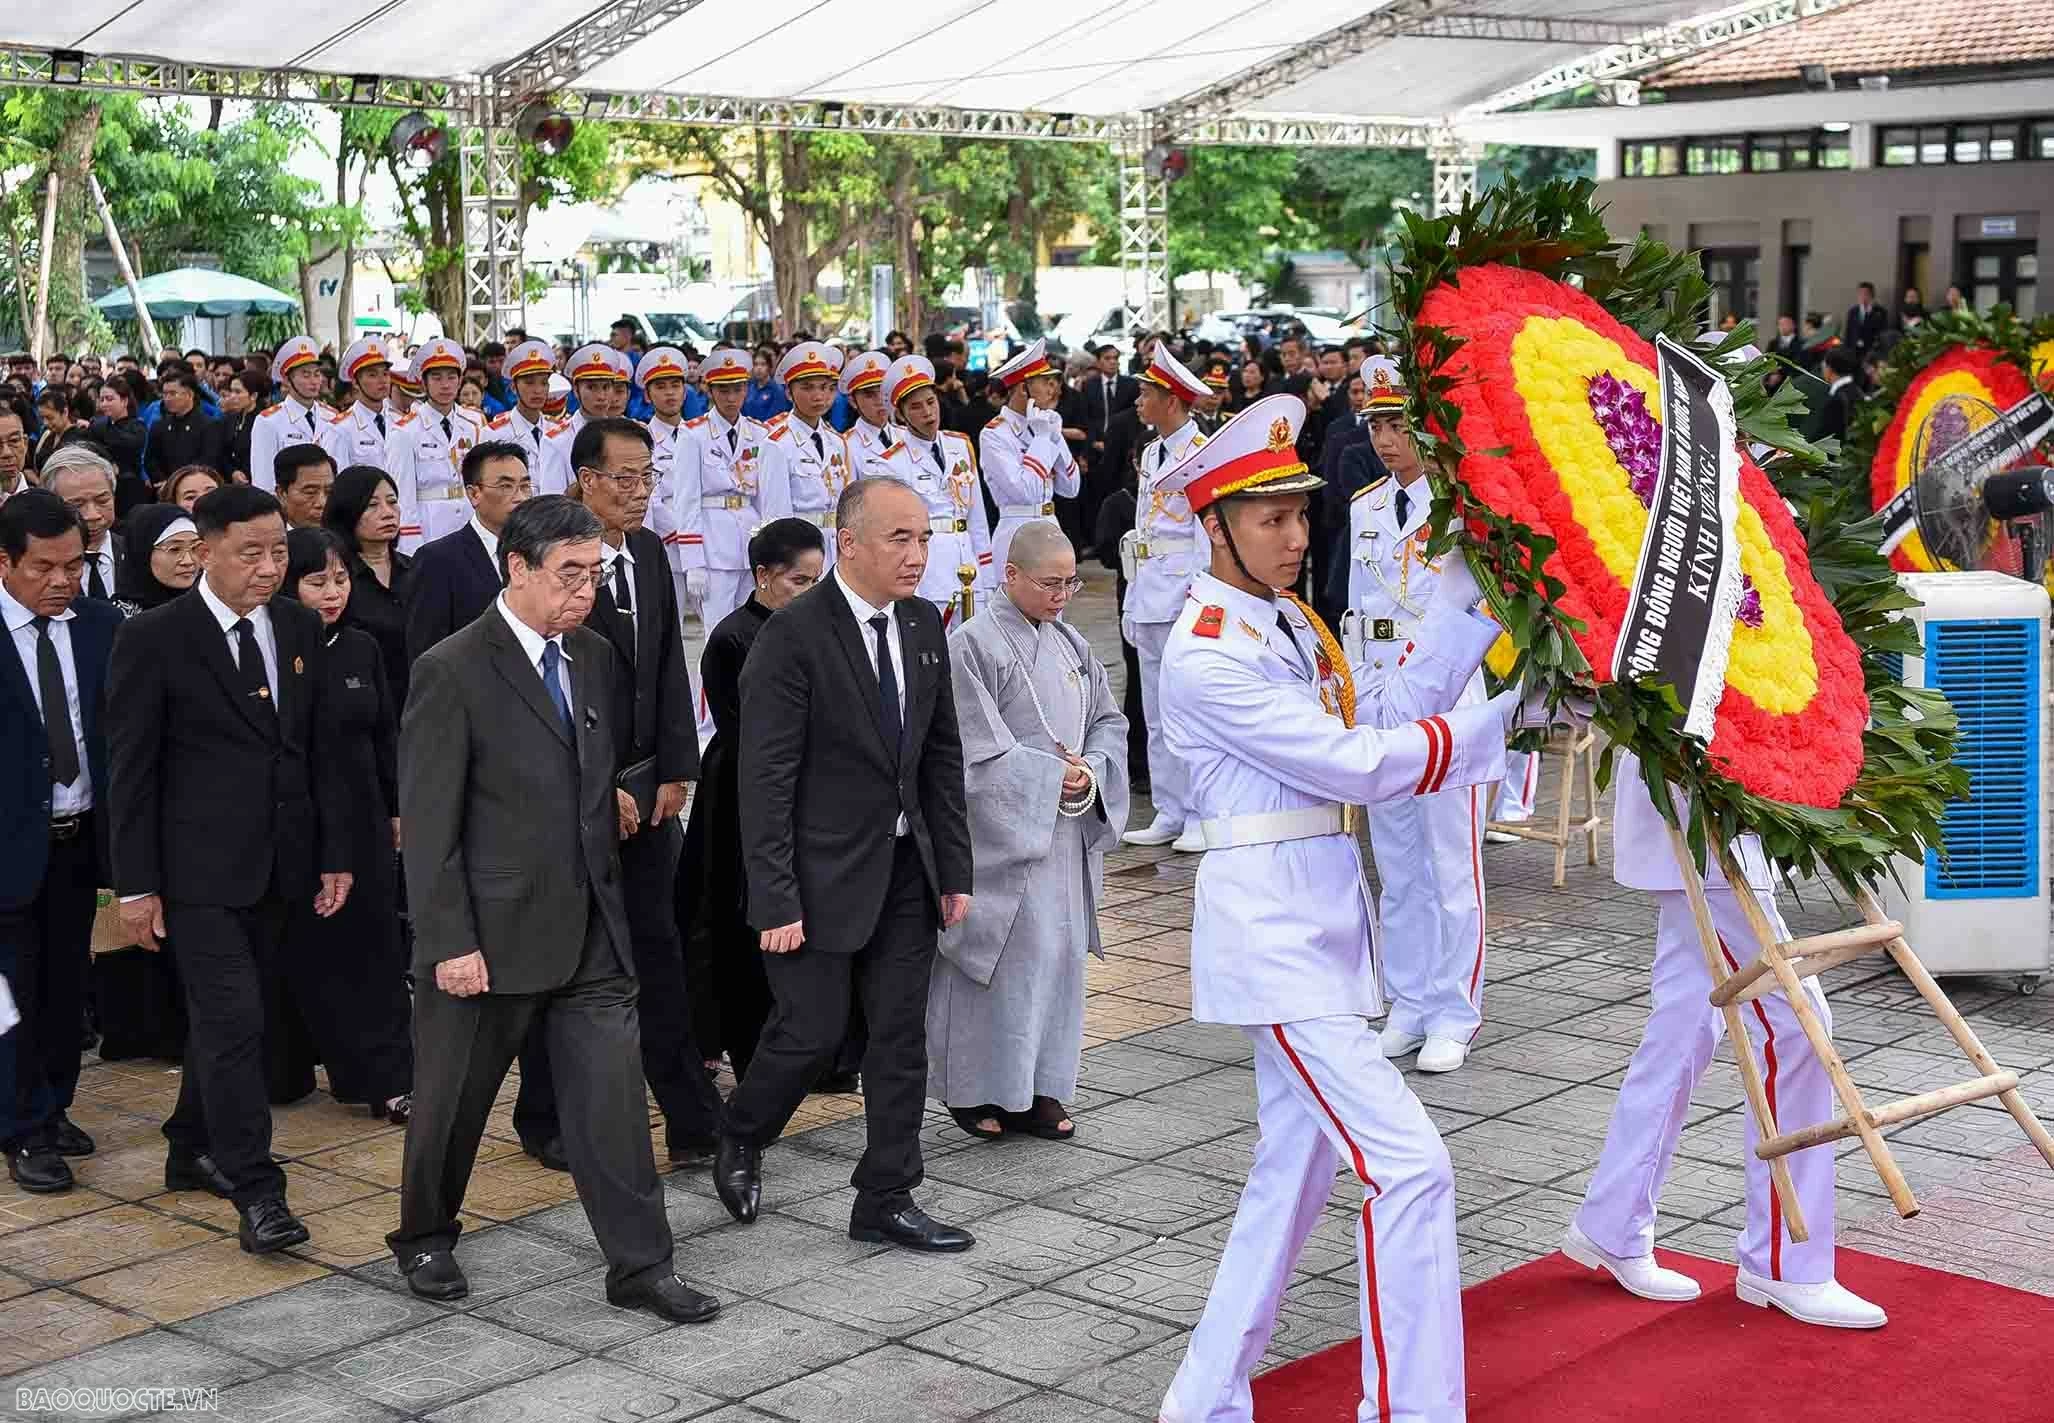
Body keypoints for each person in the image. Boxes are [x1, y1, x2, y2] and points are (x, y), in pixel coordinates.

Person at [1150, 393, 1531, 1423]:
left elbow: (1390, 710)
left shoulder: (1285, 619)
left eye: (1299, 514)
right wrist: (1498, 722)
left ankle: (1203, 1398)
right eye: (1269, 517)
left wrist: (1479, 625)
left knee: (1290, 1174)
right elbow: (1354, 763)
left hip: (1315, 923)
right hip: (1272, 936)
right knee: (1411, 1167)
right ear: (1215, 526)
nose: (1295, 535)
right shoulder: (1208, 648)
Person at [388, 495, 720, 1323]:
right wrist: (449, 942)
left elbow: (593, 761)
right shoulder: (453, 669)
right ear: (518, 568)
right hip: (488, 935)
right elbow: (429, 823)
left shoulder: (594, 655)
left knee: (613, 1107)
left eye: (595, 573)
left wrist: (616, 795)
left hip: (591, 929)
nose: (586, 591)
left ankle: (641, 1264)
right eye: (570, 574)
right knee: (452, 1104)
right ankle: (424, 1233)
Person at [712, 476, 976, 1253]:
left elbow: (940, 752)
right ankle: (743, 1129)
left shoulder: (923, 622)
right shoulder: (792, 636)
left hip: (905, 868)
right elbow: (764, 780)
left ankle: (887, 1195)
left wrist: (954, 868)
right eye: (900, 538)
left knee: (899, 1035)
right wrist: (775, 897)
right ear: (849, 543)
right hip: (814, 875)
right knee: (811, 1032)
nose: (917, 554)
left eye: (924, 538)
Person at [107, 483, 353, 1251]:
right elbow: (132, 771)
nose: (269, 567)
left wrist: (335, 854)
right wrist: (137, 885)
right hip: (196, 873)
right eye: (251, 553)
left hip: (282, 863)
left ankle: (190, 1144)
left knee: (233, 1023)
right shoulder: (155, 637)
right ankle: (257, 1190)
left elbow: (318, 751)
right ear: (205, 550)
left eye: (279, 550)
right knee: (234, 1020)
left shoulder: (298, 625)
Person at [1566, 754, 1887, 1329]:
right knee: (1798, 1028)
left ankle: (1613, 1220)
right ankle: (1785, 1263)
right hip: (1698, 819)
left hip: (1720, 815)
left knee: (1684, 1028)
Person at [556, 417, 724, 1167]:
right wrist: (597, 786)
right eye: (623, 478)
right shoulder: (556, 557)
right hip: (578, 797)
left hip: (650, 791)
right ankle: (547, 1113)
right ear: (587, 479)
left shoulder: (650, 553)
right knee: (572, 955)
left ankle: (691, 1116)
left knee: (661, 946)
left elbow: (665, 667)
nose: (638, 490)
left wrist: (677, 767)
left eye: (647, 476)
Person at [929, 520, 1127, 1142]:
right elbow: (973, 749)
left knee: (1057, 961)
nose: (1062, 596)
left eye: (1070, 583)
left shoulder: (1071, 643)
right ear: (1010, 574)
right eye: (1050, 584)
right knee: (1002, 961)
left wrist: (1091, 769)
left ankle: (1042, 1088)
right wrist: (1047, 777)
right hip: (1004, 836)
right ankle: (975, 1091)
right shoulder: (972, 645)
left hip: (1064, 833)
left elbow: (1109, 721)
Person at [1344, 358, 1489, 1075]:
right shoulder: (1365, 506)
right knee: (1398, 863)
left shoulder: (1463, 506)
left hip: (1447, 698)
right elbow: (1355, 605)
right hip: (1382, 698)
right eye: (1377, 425)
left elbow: (1483, 604)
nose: (1386, 439)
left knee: (1451, 866)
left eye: (1399, 425)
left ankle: (1455, 1011)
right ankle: (1408, 1000)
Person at [680, 517, 825, 1081]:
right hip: (742, 791)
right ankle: (741, 1044)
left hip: (807, 788)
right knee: (738, 918)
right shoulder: (733, 637)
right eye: (798, 581)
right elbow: (747, 730)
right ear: (763, 576)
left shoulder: (815, 629)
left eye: (816, 581)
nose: (808, 592)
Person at [1, 490, 118, 1194]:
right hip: (7, 847)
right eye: (43, 567)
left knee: (65, 984)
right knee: (11, 992)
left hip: (78, 842)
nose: (61, 581)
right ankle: (22, 1126)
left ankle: (53, 1103)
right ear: (5, 562)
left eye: (73, 565)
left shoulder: (101, 626)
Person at [282, 528, 412, 1125]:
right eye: (317, 582)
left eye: (340, 580)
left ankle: (388, 1079)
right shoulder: (278, 651)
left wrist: (395, 807)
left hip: (364, 820)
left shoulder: (362, 647)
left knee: (377, 950)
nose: (333, 593)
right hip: (300, 824)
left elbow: (386, 734)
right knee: (312, 955)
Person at [1119, 344, 1212, 851]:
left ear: (1171, 400)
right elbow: (1143, 530)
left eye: (1146, 393)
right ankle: (1169, 808)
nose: (1138, 401)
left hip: (1182, 593)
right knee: (1154, 711)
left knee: (1188, 709)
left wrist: (1200, 598)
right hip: (1149, 591)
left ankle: (1199, 811)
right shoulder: (1153, 451)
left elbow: (1204, 534)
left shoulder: (1200, 452)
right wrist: (1132, 599)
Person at [860, 356, 994, 622]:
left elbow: (977, 518)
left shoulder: (960, 445)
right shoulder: (890, 463)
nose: (928, 413)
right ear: (901, 414)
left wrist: (987, 577)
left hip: (969, 569)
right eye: (916, 407)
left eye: (931, 402)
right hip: (929, 573)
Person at [675, 347, 791, 633]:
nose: (731, 397)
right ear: (710, 390)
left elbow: (766, 498)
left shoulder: (759, 433)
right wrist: (693, 562)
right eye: (723, 390)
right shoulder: (693, 434)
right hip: (713, 545)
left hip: (750, 540)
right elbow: (686, 499)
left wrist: (772, 550)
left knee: (755, 628)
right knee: (718, 631)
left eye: (738, 389)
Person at [403, 441, 531, 662]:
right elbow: (427, 651)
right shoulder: (437, 560)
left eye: (525, 486)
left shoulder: (542, 551)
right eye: (505, 486)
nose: (520, 497)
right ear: (474, 494)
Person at [979, 340, 1080, 573]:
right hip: (1017, 532)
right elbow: (1026, 492)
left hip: (1051, 527)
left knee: (1055, 596)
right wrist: (1042, 438)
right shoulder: (995, 434)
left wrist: (1055, 437)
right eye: (1045, 383)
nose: (1052, 390)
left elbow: (1071, 487)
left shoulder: (1042, 424)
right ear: (1024, 389)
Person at [323, 466, 413, 712]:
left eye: (392, 502)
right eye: (372, 505)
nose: (387, 513)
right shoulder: (336, 579)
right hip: (362, 702)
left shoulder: (416, 569)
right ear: (347, 512)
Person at [394, 337, 483, 552]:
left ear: (460, 381)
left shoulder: (473, 424)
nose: (445, 385)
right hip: (429, 528)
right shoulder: (405, 431)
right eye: (436, 378)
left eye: (452, 377)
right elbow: (403, 495)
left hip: (469, 522)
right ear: (423, 383)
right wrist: (410, 546)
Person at [768, 343, 851, 568]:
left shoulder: (837, 442)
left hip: (836, 550)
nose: (818, 396)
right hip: (800, 550)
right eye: (807, 388)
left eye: (824, 387)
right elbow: (776, 515)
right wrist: (786, 561)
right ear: (789, 393)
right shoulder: (777, 444)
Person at [634, 345, 704, 615]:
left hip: (702, 543)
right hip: (665, 543)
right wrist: (679, 532)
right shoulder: (642, 439)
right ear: (648, 395)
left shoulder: (700, 435)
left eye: (675, 385)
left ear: (685, 391)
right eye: (661, 387)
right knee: (667, 620)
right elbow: (649, 495)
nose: (670, 393)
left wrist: (693, 536)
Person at [538, 343, 633, 497]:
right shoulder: (557, 441)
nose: (601, 396)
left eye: (606, 387)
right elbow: (552, 499)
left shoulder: (625, 434)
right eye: (591, 388)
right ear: (576, 390)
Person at [320, 339, 417, 487]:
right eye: (372, 375)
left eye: (385, 374)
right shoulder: (339, 429)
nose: (382, 380)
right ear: (355, 382)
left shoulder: (403, 423)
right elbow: (338, 484)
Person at [249, 337, 335, 494]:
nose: (314, 381)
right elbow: (263, 481)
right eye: (305, 375)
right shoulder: (269, 421)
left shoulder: (331, 416)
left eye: (317, 374)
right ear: (287, 380)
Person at [43, 447, 124, 602]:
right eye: (77, 505)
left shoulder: (138, 555)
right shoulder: (36, 567)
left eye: (102, 501)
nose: (92, 515)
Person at [112, 504, 202, 615]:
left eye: (195, 548)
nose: (188, 561)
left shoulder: (213, 605)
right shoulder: (117, 616)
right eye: (174, 549)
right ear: (143, 553)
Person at [146, 369, 228, 485]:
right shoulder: (159, 426)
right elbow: (150, 460)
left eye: (173, 394)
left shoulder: (209, 425)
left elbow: (208, 461)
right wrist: (164, 482)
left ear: (190, 394)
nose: (167, 399)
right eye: (165, 394)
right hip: (164, 487)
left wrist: (179, 483)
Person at [89, 381, 149, 512]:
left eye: (109, 399)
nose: (104, 404)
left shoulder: (137, 426)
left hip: (130, 488)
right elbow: (92, 447)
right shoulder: (98, 425)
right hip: (103, 485)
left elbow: (129, 444)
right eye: (102, 400)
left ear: (124, 401)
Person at [839, 349, 899, 475]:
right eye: (869, 395)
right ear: (853, 401)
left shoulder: (906, 436)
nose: (880, 400)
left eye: (883, 392)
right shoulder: (845, 445)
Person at [273, 444, 336, 531]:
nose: (323, 503)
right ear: (281, 494)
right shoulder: (265, 536)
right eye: (310, 492)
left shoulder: (345, 535)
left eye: (329, 491)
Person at [219, 372, 261, 482]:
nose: (232, 396)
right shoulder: (229, 419)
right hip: (231, 480)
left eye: (238, 392)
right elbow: (223, 452)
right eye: (231, 391)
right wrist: (232, 472)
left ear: (253, 396)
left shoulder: (262, 421)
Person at [1842, 282, 1890, 365]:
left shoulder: (1880, 312)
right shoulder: (1853, 311)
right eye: (1860, 294)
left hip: (1871, 351)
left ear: (1872, 295)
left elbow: (1883, 332)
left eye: (1866, 294)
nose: (1863, 297)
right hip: (1854, 350)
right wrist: (1846, 349)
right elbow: (1848, 332)